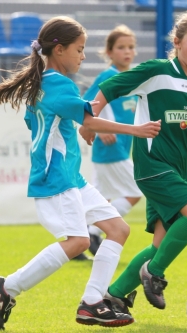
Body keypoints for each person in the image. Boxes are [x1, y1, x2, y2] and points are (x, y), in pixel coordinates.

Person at [0, 16, 161, 330]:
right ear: (59, 49)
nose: (82, 56)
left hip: (71, 179)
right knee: (78, 242)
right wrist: (136, 130)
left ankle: (93, 302)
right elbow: (90, 120)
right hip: (57, 180)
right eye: (79, 49)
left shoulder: (43, 85)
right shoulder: (57, 83)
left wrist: (82, 123)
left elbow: (72, 117)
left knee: (119, 230)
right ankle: (7, 287)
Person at [79, 10, 187, 319]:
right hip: (151, 164)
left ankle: (114, 295)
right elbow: (111, 87)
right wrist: (90, 120)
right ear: (177, 41)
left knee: (160, 244)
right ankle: (153, 274)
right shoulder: (156, 71)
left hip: (177, 171)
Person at [81, 24, 143, 258]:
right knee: (136, 190)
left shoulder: (132, 79)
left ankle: (81, 235)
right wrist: (98, 126)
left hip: (122, 147)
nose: (127, 52)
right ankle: (92, 232)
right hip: (111, 147)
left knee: (101, 198)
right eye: (120, 47)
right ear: (109, 52)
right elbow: (88, 104)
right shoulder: (108, 76)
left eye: (131, 47)